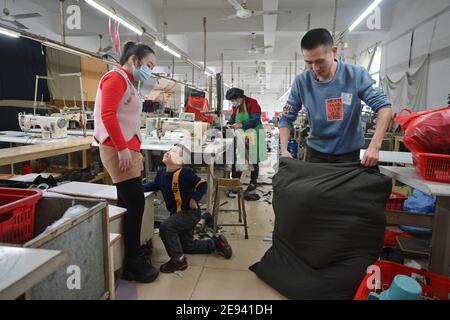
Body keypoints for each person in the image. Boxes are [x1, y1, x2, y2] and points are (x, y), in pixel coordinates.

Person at [94, 42, 158, 283]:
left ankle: (127, 257)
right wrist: (122, 149)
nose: (150, 71)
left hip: (126, 148)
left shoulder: (128, 81)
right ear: (134, 60)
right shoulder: (115, 78)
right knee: (135, 204)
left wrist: (135, 149)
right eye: (149, 65)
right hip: (115, 147)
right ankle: (133, 262)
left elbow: (126, 121)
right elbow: (108, 115)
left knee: (127, 203)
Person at [279, 28, 392, 166]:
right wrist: (284, 149)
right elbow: (286, 117)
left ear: (333, 52)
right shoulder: (302, 82)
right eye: (309, 62)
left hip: (348, 156)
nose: (315, 68)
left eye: (320, 61)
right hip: (315, 155)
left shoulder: (356, 75)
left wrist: (374, 146)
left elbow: (384, 107)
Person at [143, 145, 233, 273]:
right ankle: (216, 243)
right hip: (177, 214)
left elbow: (202, 184)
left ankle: (178, 260)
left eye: (174, 152)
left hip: (189, 213)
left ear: (181, 161)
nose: (168, 152)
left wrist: (194, 199)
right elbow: (154, 185)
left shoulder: (185, 173)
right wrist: (137, 189)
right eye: (169, 150)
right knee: (187, 246)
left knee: (166, 227)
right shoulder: (161, 173)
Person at [226, 88, 268, 195]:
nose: (233, 103)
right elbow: (233, 118)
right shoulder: (236, 106)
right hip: (241, 135)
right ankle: (235, 183)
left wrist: (241, 124)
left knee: (253, 159)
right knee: (239, 157)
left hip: (253, 133)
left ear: (239, 97)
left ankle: (253, 182)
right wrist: (229, 124)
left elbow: (255, 119)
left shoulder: (252, 103)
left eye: (233, 100)